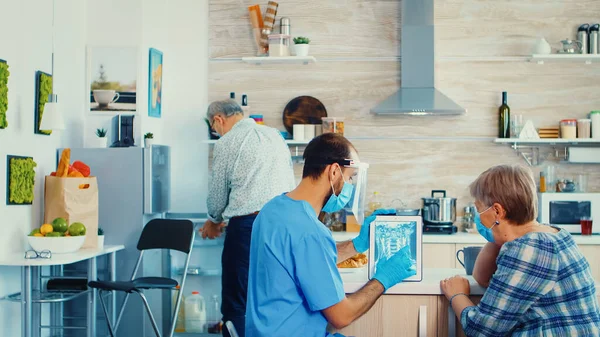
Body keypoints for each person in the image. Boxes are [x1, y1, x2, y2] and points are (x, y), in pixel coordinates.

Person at [245, 133, 416, 337]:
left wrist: (358, 244)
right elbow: (342, 316)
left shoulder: (272, 209)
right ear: (334, 171)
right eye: (350, 177)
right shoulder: (310, 231)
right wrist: (385, 278)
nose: (350, 185)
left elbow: (304, 259)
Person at [441, 164, 600, 336]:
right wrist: (499, 233)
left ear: (497, 210)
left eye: (479, 209)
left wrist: (457, 295)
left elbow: (482, 330)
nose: (478, 217)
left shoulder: (530, 249)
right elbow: (482, 277)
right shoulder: (554, 234)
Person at [201, 99, 296, 337]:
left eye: (214, 128)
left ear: (218, 120)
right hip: (283, 226)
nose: (216, 132)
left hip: (248, 228)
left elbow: (217, 197)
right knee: (273, 296)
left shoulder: (227, 142)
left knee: (237, 301)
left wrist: (213, 220)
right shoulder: (275, 135)